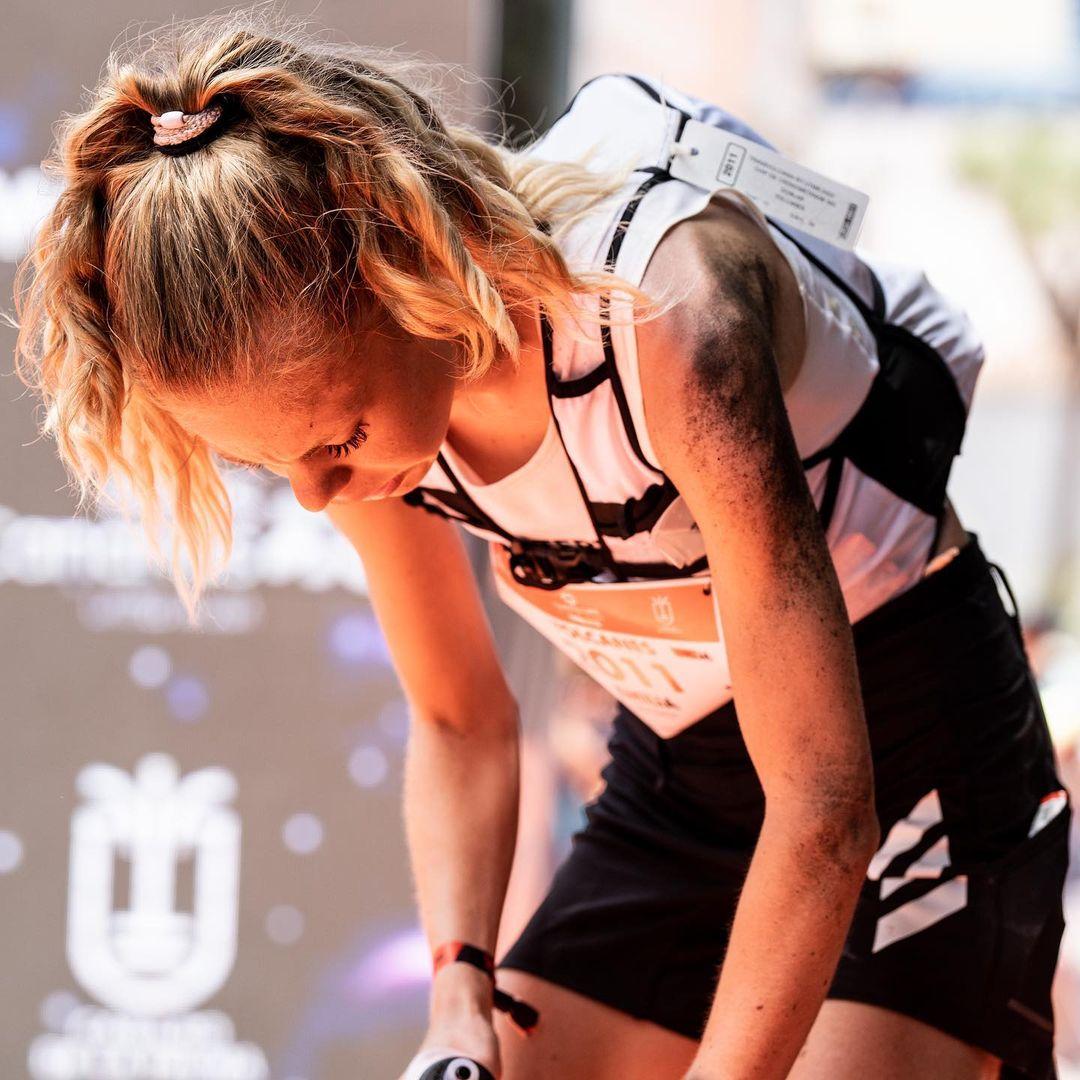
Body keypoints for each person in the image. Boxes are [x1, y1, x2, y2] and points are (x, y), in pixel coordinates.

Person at [11, 11, 1070, 1080]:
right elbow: (461, 720)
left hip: (911, 762)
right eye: (273, 461)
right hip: (682, 781)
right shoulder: (364, 422)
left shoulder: (672, 319)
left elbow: (826, 810)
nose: (318, 491)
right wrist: (457, 998)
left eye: (336, 439)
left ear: (408, 270)